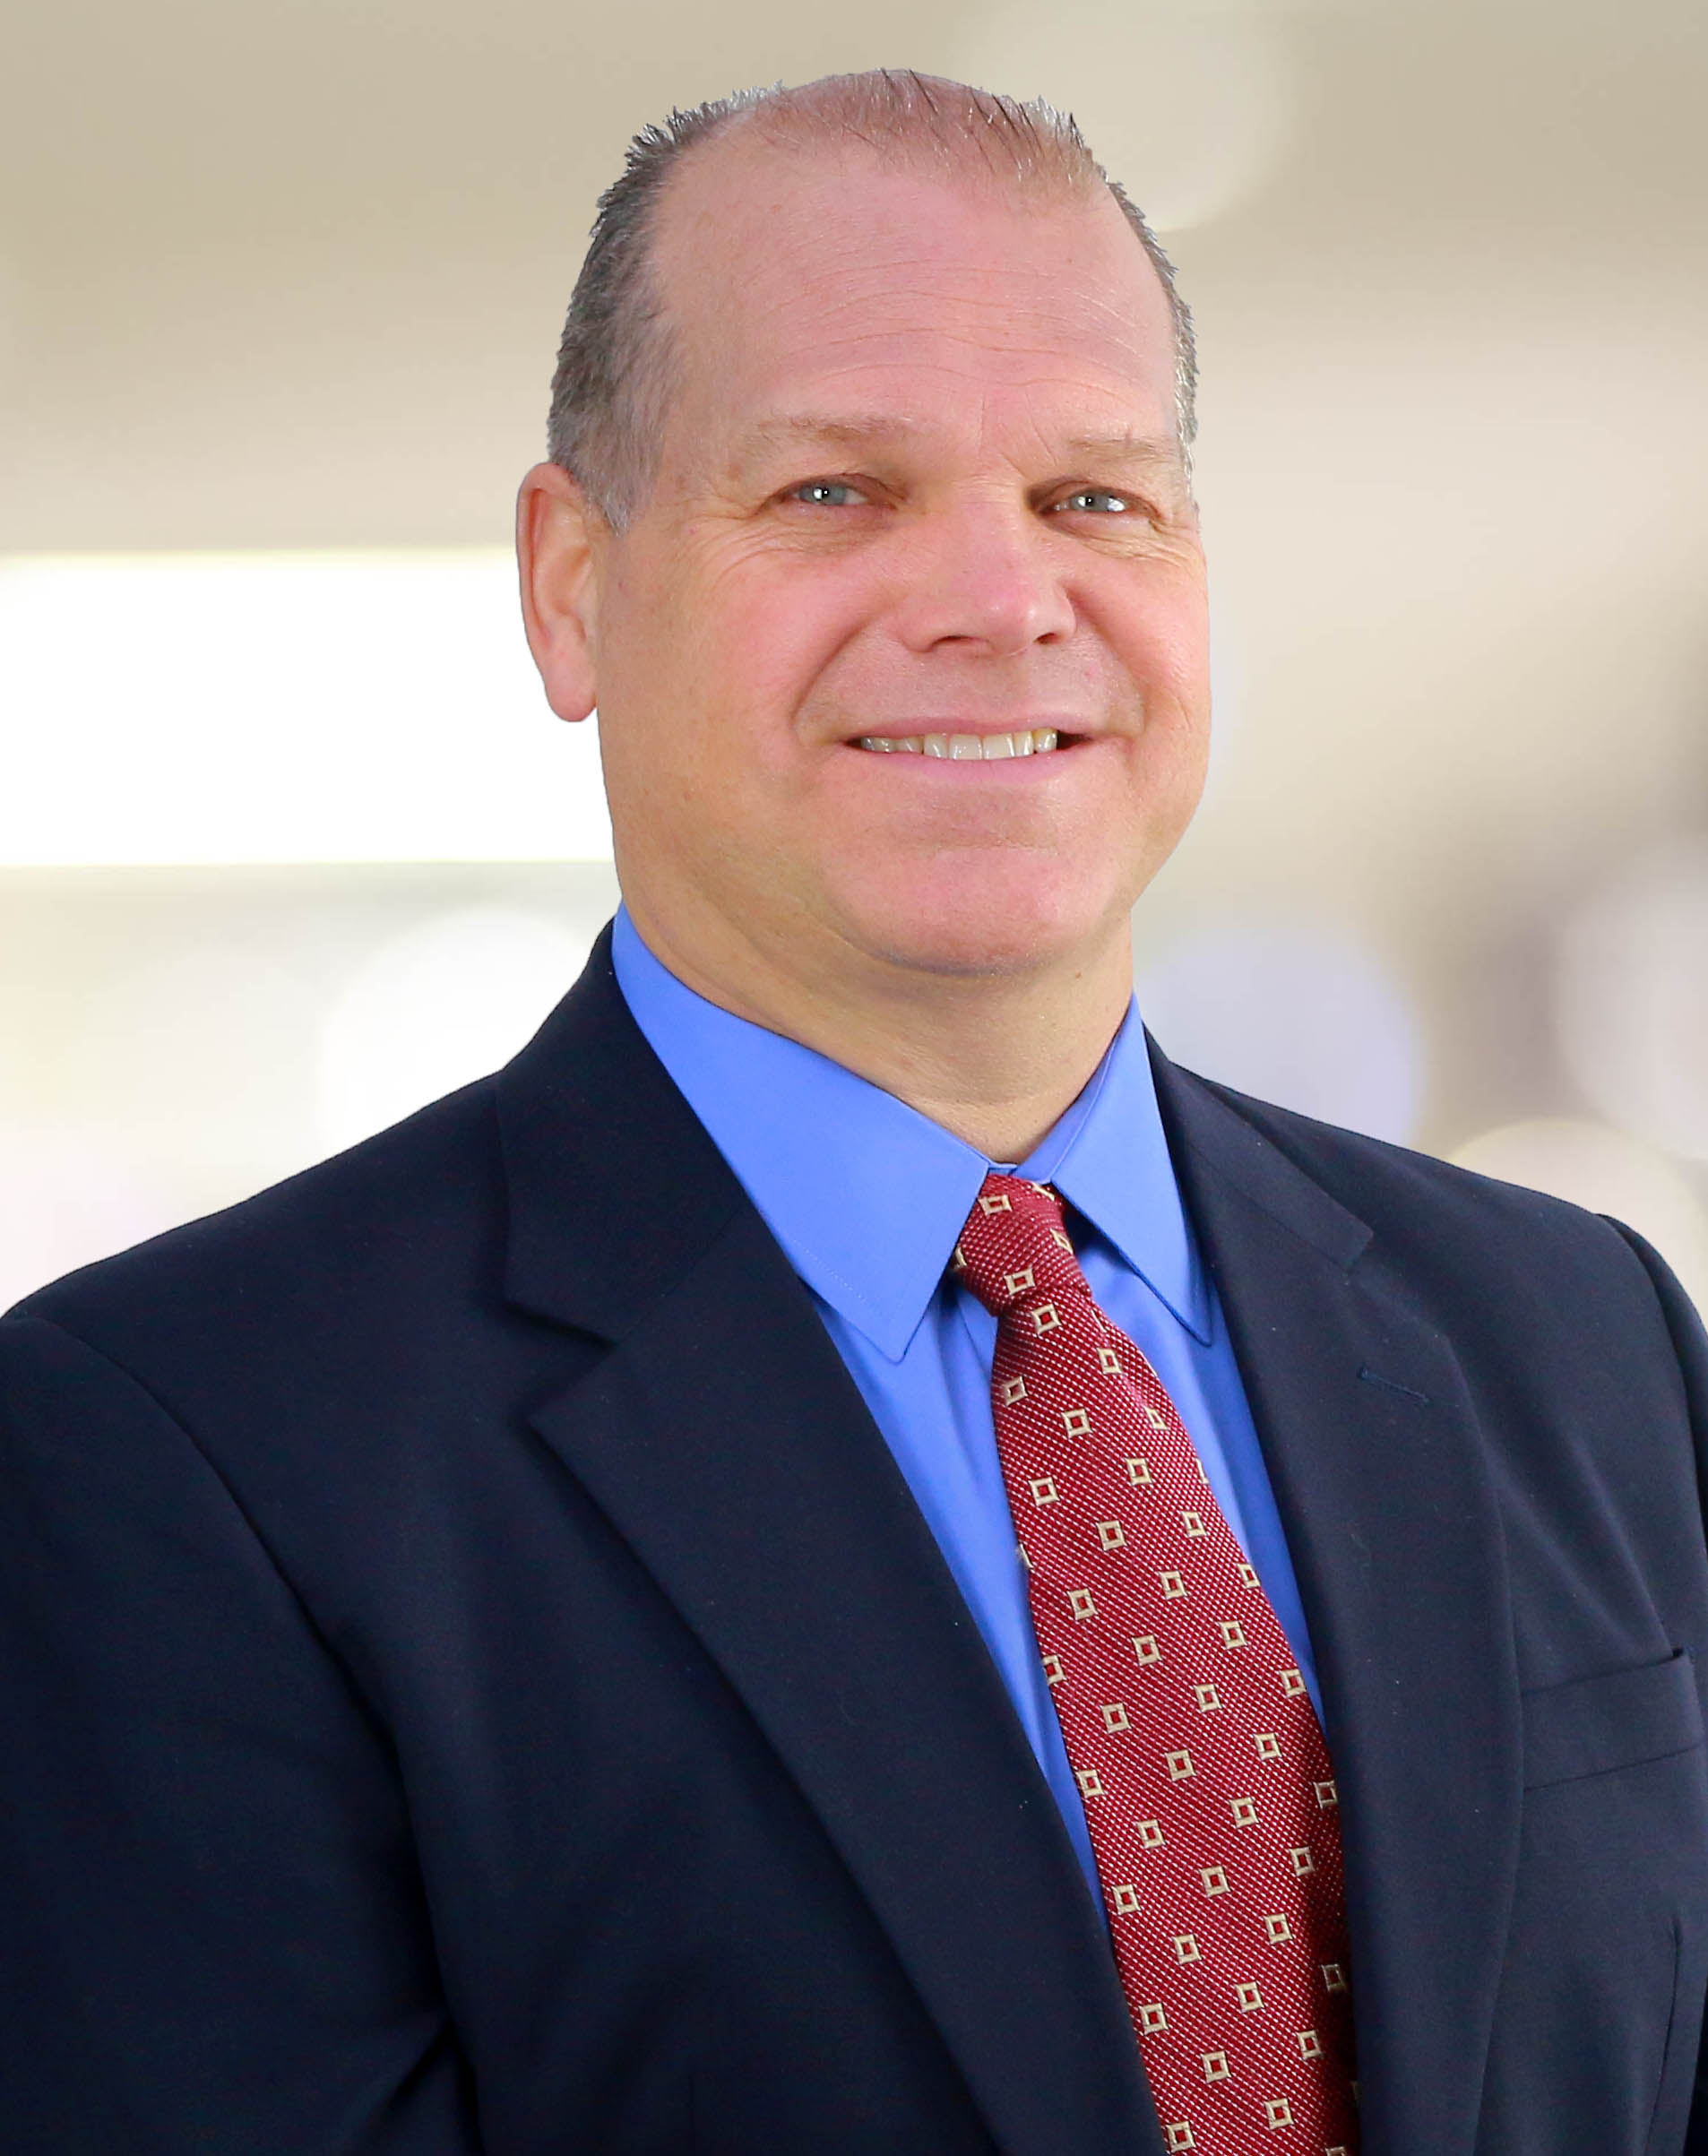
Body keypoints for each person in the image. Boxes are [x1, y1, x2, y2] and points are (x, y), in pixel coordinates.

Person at [3, 69, 1706, 2156]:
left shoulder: (1578, 1344)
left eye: (1092, 498)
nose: (999, 598)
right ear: (570, 584)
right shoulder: (183, 1459)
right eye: (835, 491)